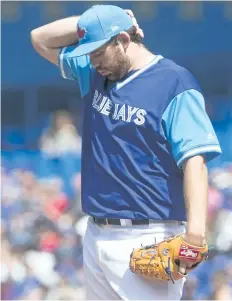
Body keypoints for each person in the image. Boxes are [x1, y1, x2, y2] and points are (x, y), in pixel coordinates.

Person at [31, 5, 222, 300]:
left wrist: (195, 234)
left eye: (98, 52)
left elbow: (194, 161)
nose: (92, 61)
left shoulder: (174, 82)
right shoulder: (94, 74)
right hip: (95, 232)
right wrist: (93, 22)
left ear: (122, 40)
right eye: (89, 53)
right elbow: (40, 38)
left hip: (149, 235)